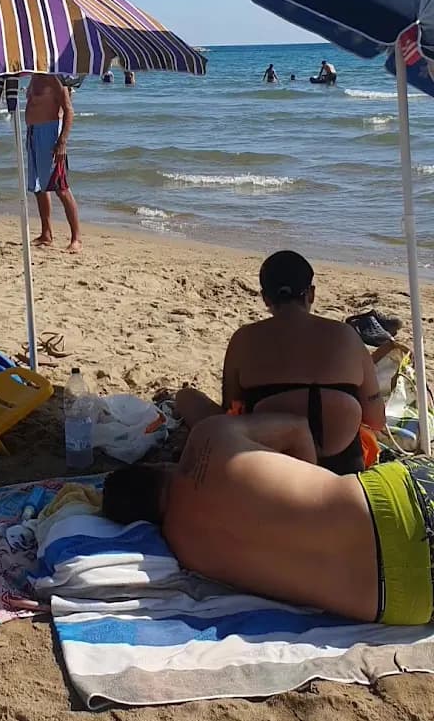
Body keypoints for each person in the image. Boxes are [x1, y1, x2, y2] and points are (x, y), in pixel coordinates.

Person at [103, 412, 434, 627]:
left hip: (405, 602)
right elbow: (298, 426)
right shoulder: (208, 436)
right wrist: (310, 483)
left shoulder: (185, 550)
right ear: (155, 466)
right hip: (399, 502)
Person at [174, 250, 384, 473]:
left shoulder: (245, 339)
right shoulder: (347, 336)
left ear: (266, 298)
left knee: (186, 397)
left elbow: (232, 408)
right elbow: (376, 420)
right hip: (344, 470)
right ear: (311, 294)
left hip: (276, 471)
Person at [25, 74, 81, 253]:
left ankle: (76, 238)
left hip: (50, 133)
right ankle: (46, 233)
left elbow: (68, 110)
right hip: (32, 132)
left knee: (60, 187)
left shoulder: (56, 79)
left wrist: (62, 141)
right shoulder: (34, 75)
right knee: (39, 187)